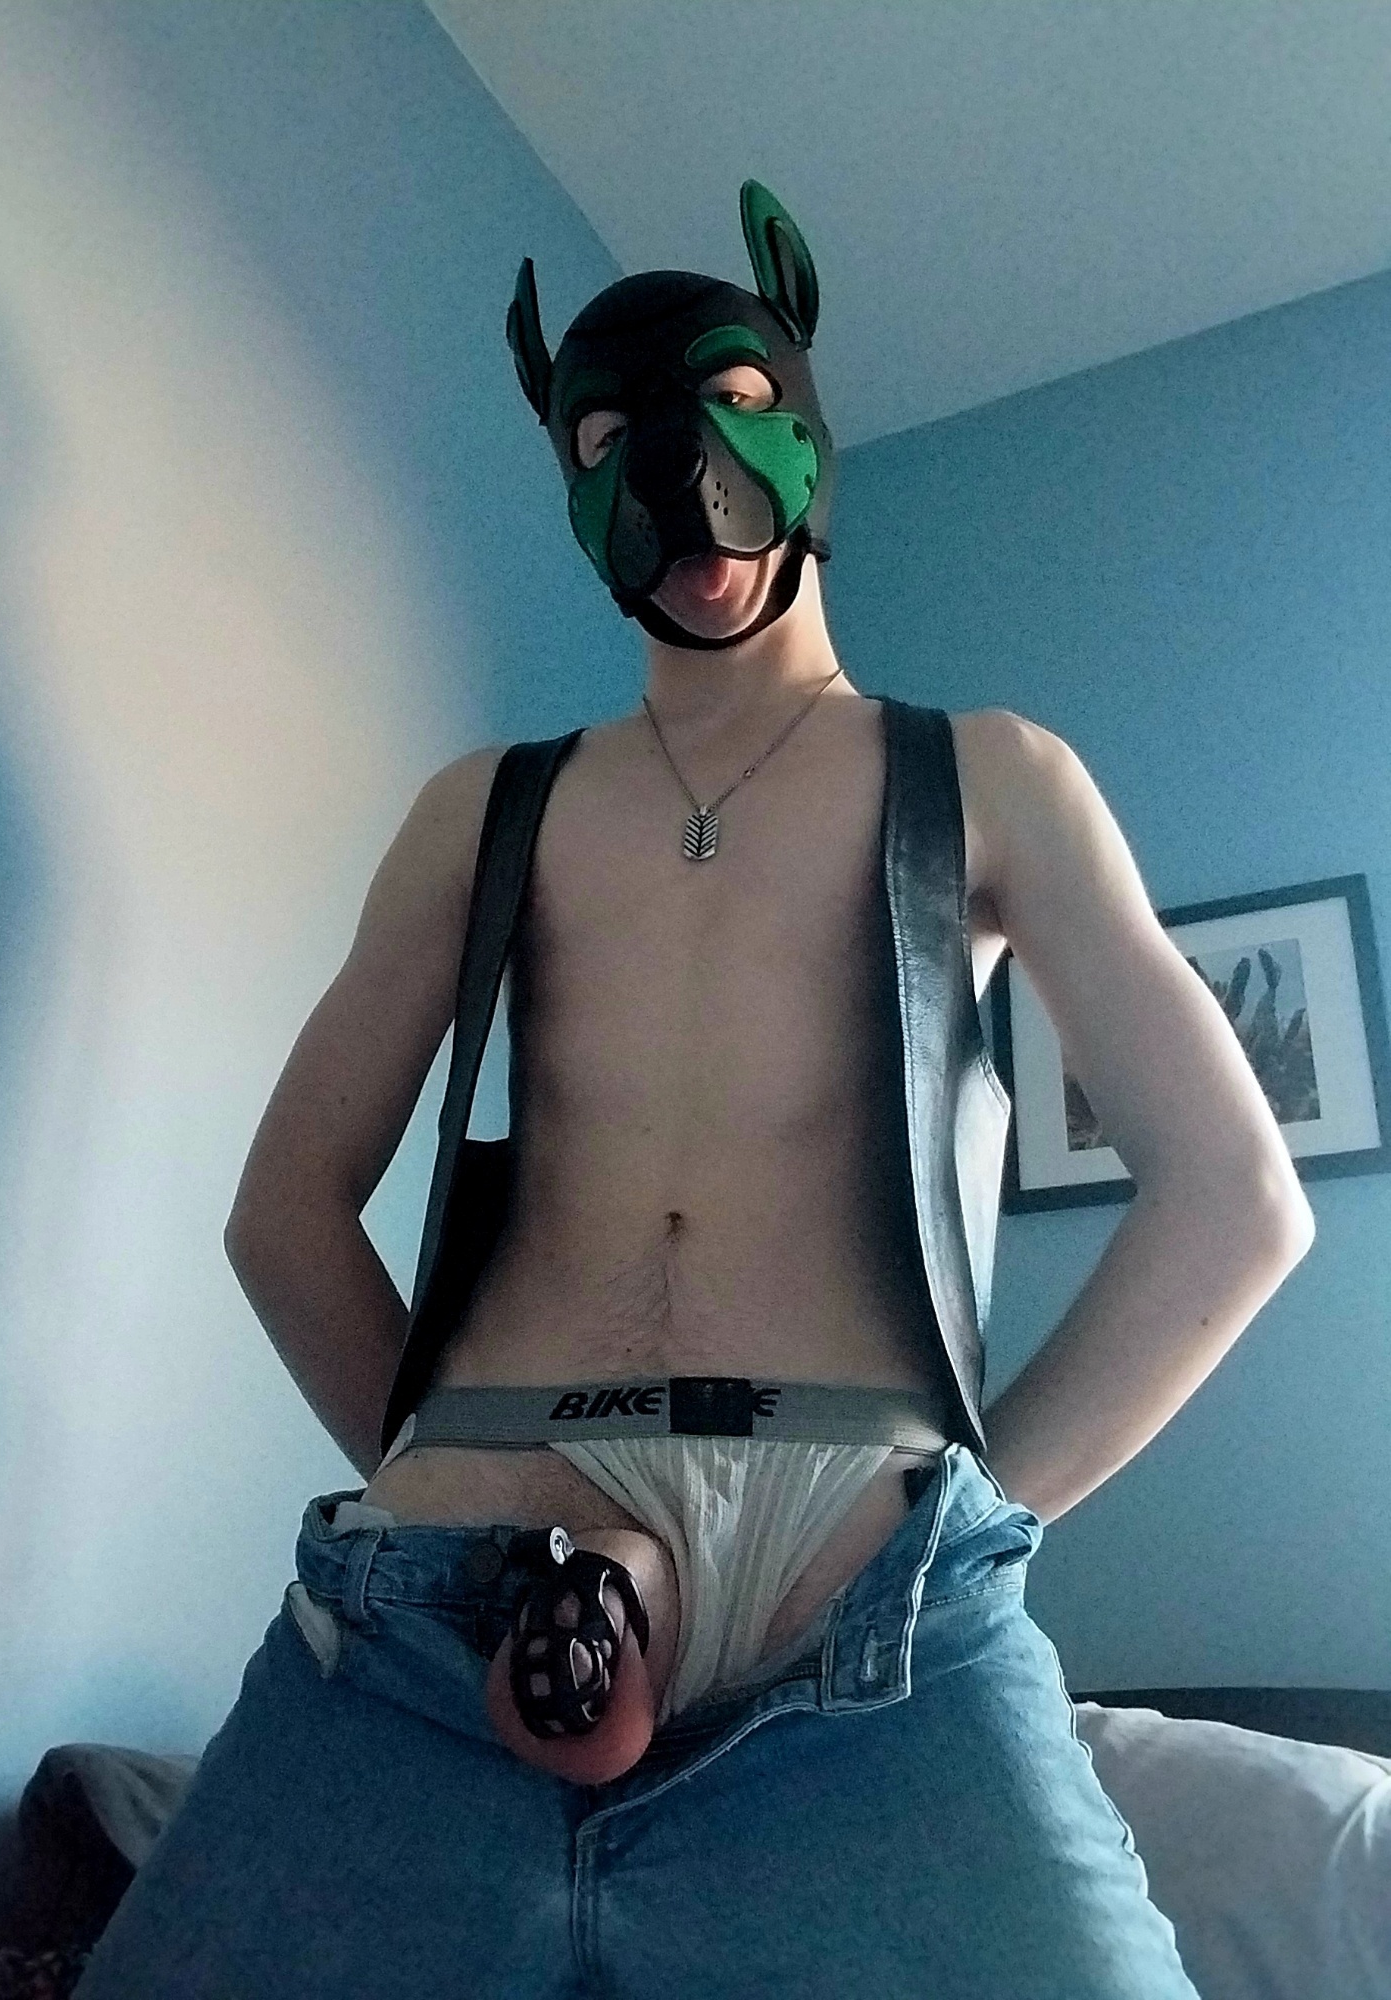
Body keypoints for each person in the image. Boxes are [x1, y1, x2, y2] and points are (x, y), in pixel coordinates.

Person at [76, 184, 1313, 1998]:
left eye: (734, 402)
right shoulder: (484, 810)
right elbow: (285, 1213)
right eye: (605, 444)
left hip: (865, 1607)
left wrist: (962, 1538)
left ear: (804, 424)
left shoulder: (990, 781)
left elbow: (1236, 1204)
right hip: (456, 1610)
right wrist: (442, 1497)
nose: (679, 481)